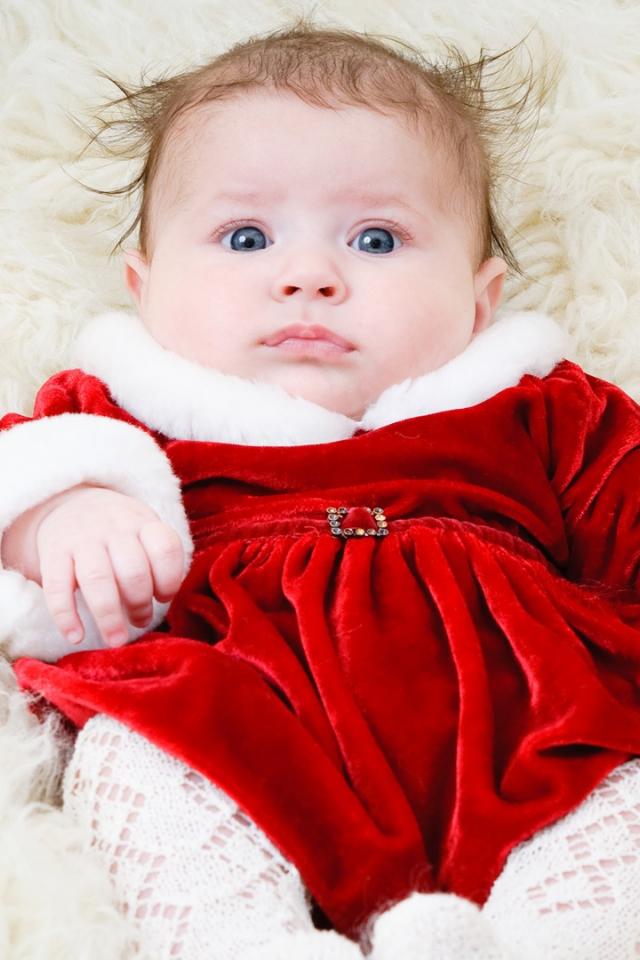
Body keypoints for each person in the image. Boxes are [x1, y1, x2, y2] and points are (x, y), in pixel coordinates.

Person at [1, 20, 640, 960]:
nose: (308, 277)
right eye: (246, 237)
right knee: (135, 755)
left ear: (478, 300)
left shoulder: (540, 407)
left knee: (619, 795)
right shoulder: (124, 413)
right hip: (235, 716)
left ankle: (547, 941)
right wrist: (65, 512)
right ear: (146, 287)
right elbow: (23, 474)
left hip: (528, 729)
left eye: (376, 238)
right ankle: (247, 943)